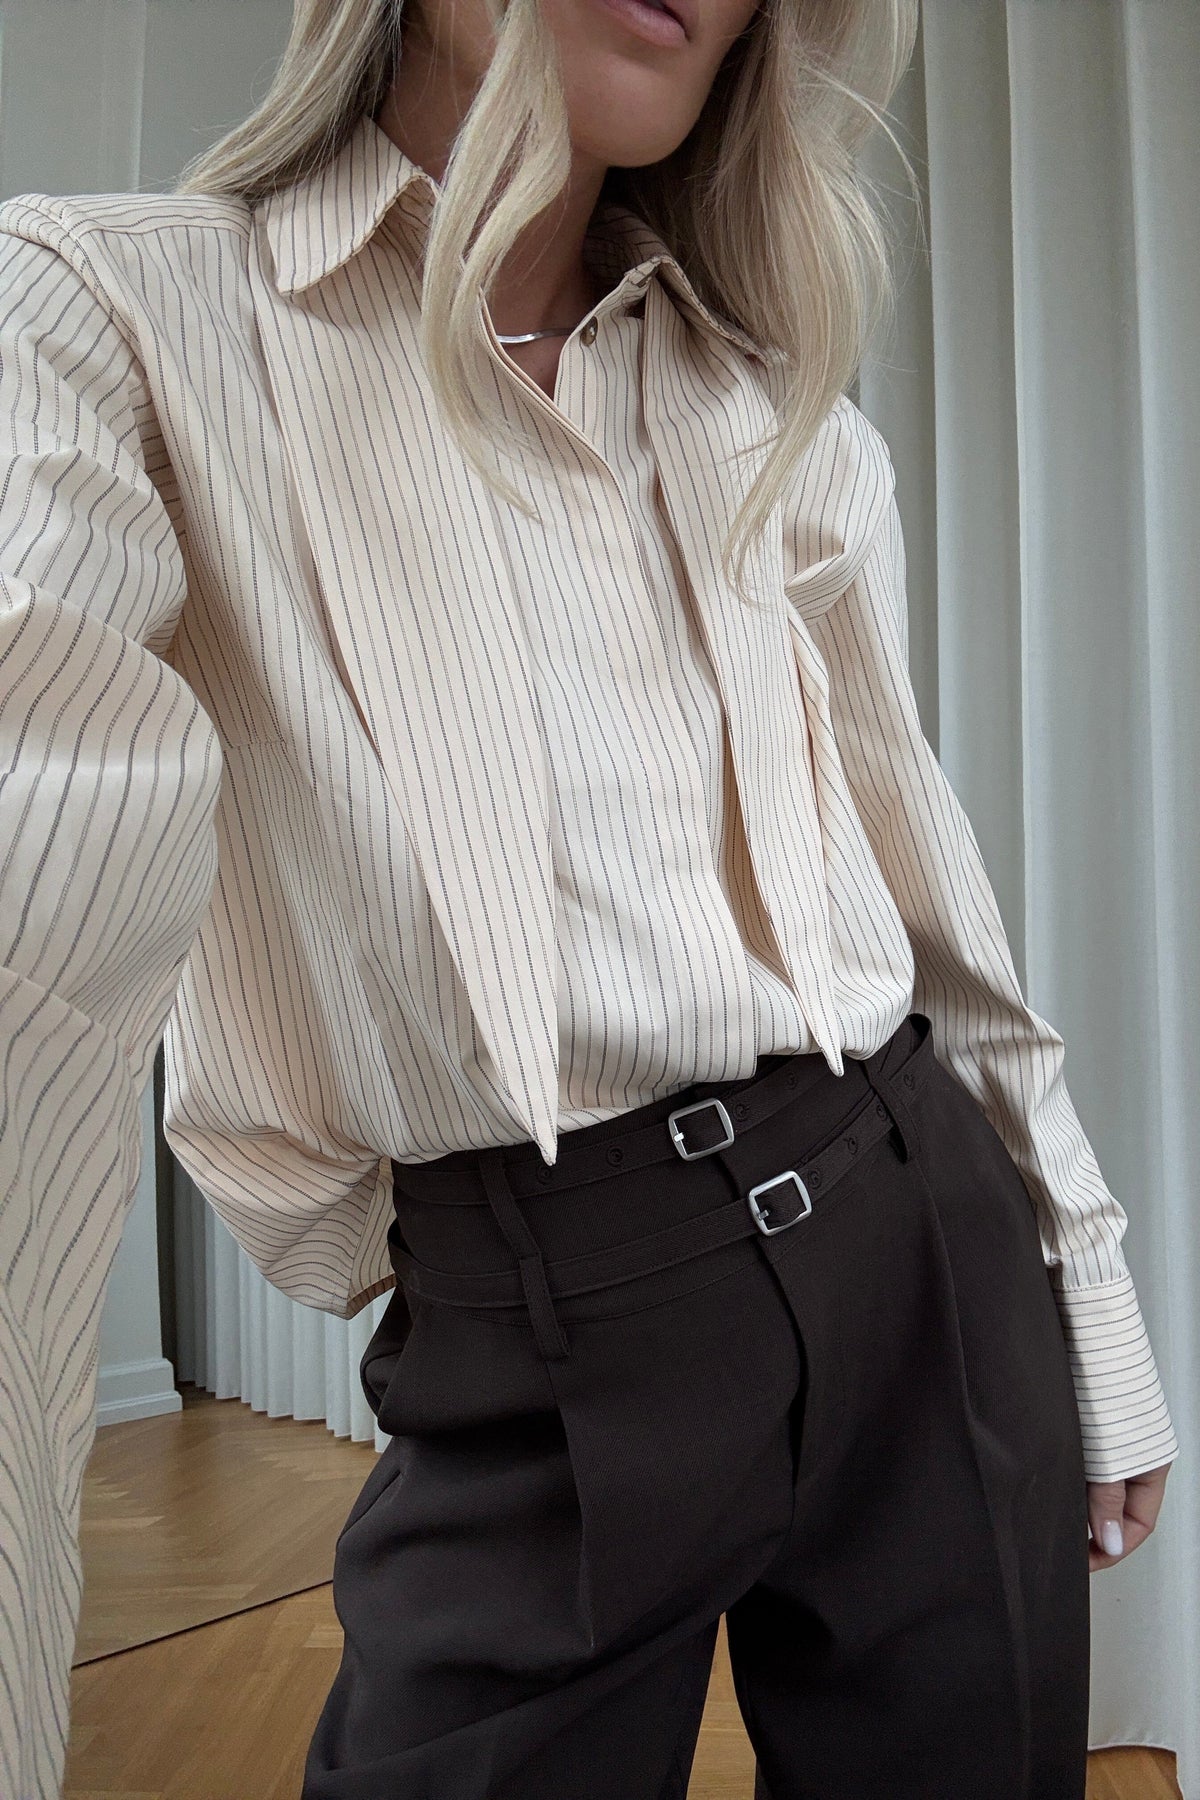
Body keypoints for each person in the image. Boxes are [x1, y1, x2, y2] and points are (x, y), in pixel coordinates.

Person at [0, 0, 1179, 1795]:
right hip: (541, 1303)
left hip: (919, 1230)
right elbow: (32, 932)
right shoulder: (108, 313)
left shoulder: (766, 400)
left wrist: (1084, 1271)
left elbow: (920, 877)